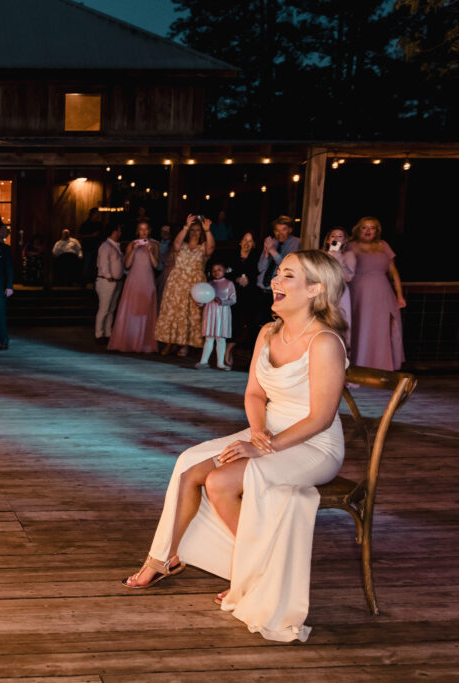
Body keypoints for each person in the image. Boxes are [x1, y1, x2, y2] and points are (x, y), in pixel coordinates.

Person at [124, 250, 349, 643]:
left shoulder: (325, 342)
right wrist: (258, 434)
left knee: (220, 482)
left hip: (313, 444)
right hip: (268, 432)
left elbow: (322, 418)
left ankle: (252, 574)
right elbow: (254, 394)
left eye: (288, 276)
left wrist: (266, 447)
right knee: (192, 466)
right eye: (277, 274)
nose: (275, 282)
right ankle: (162, 558)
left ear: (315, 289)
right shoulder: (267, 332)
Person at [348, 216, 405, 370]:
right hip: (358, 292)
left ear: (376, 231)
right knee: (361, 326)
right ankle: (358, 365)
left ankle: (381, 366)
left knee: (382, 328)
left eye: (372, 228)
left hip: (382, 292)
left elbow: (393, 272)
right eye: (364, 227)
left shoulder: (383, 245)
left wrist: (399, 295)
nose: (368, 231)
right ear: (358, 230)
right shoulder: (350, 246)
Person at [155, 215, 214, 356]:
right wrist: (186, 226)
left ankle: (184, 345)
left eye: (197, 230)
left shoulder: (203, 247)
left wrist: (207, 230)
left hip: (195, 283)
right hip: (178, 282)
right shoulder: (182, 246)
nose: (194, 232)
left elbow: (211, 249)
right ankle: (170, 342)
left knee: (190, 314)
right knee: (174, 312)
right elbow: (175, 244)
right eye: (192, 230)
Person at [108, 221, 159, 353]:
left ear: (149, 230)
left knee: (145, 311)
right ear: (137, 231)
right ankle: (129, 342)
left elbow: (155, 265)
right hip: (134, 279)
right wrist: (134, 249)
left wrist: (150, 252)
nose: (143, 232)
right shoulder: (132, 244)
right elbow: (127, 265)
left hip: (147, 280)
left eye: (146, 229)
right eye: (141, 229)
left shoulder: (154, 244)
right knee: (131, 310)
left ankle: (143, 343)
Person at [256, 215, 300, 329]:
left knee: (275, 326)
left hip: (279, 292)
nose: (280, 233)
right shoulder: (272, 242)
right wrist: (266, 252)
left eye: (284, 229)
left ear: (290, 229)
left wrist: (272, 251)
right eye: (277, 230)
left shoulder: (296, 243)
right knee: (260, 325)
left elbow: (287, 265)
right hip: (262, 289)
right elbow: (261, 268)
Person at [226, 231, 261, 367]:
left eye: (250, 241)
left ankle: (233, 349)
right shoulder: (232, 255)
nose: (247, 243)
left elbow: (259, 273)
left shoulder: (256, 257)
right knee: (232, 322)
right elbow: (226, 272)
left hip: (249, 295)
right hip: (232, 293)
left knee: (247, 324)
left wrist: (249, 280)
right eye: (245, 240)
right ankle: (227, 350)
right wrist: (236, 279)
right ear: (240, 242)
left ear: (253, 244)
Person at [196, 261, 236, 370]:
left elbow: (233, 299)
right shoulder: (209, 284)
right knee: (209, 337)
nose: (217, 272)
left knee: (220, 338)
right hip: (210, 312)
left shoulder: (229, 283)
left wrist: (222, 302)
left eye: (219, 269)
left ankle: (220, 363)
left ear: (224, 270)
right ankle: (203, 362)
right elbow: (204, 299)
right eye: (214, 270)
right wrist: (199, 302)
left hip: (222, 312)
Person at [323, 227, 356, 347]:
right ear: (328, 240)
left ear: (344, 241)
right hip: (324, 291)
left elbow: (349, 277)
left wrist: (338, 256)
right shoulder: (322, 255)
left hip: (341, 292)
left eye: (340, 236)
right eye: (333, 236)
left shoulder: (349, 255)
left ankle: (343, 351)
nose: (336, 238)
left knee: (342, 322)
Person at [94, 226, 124, 344]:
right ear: (114, 231)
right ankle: (99, 334)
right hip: (106, 281)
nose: (120, 233)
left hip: (116, 281)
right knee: (104, 308)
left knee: (111, 309)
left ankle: (108, 332)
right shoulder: (106, 246)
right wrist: (108, 276)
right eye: (119, 230)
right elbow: (103, 263)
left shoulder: (116, 246)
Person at [80, 207, 105, 286]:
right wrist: (91, 235)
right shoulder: (85, 224)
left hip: (96, 248)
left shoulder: (99, 224)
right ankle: (83, 283)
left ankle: (95, 283)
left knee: (96, 266)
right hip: (87, 248)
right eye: (96, 213)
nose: (98, 215)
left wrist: (100, 243)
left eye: (98, 213)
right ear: (92, 214)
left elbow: (102, 236)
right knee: (86, 265)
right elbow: (80, 236)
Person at [155, 224, 175, 304]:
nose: (165, 233)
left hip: (168, 276)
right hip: (156, 273)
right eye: (163, 231)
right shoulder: (156, 244)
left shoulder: (174, 246)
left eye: (167, 231)